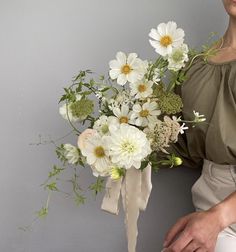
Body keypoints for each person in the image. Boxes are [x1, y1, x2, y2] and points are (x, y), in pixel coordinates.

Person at [162, 1, 236, 251]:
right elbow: (180, 145)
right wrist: (120, 138)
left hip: (222, 214)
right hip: (209, 199)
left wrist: (219, 218)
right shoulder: (194, 63)